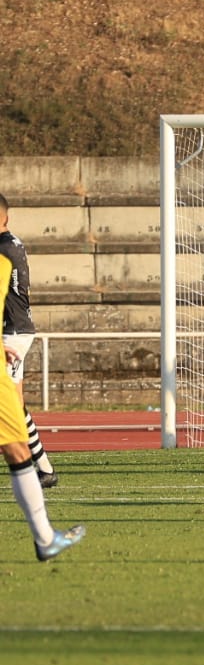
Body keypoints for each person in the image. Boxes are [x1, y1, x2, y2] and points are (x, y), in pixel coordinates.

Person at [1, 237, 82, 561]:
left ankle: (46, 535)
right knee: (15, 442)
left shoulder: (6, 255)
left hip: (13, 336)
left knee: (16, 445)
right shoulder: (7, 256)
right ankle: (46, 537)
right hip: (13, 336)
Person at [0, 194, 58, 488]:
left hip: (13, 332)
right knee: (13, 402)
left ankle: (38, 467)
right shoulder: (13, 243)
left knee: (9, 402)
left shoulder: (4, 249)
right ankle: (44, 468)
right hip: (15, 329)